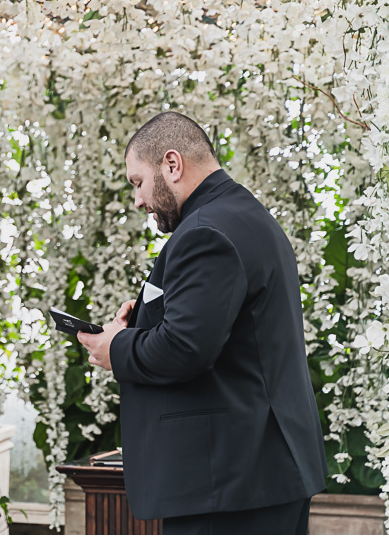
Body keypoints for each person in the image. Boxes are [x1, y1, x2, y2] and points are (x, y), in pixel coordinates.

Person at [79, 112, 328, 534]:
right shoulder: (244, 216)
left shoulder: (205, 232)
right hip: (255, 475)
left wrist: (114, 348)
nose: (138, 200)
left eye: (138, 182)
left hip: (229, 484)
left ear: (172, 164)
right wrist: (138, 326)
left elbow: (185, 347)